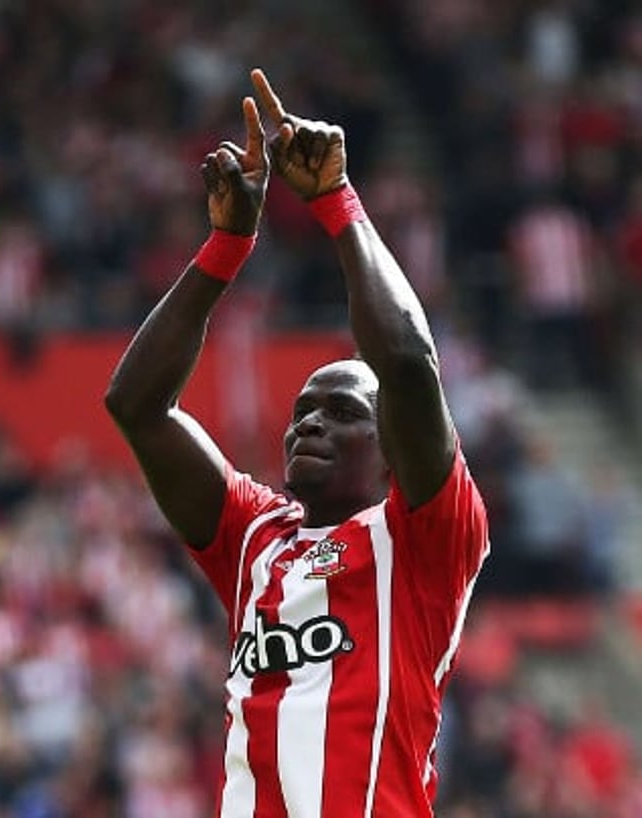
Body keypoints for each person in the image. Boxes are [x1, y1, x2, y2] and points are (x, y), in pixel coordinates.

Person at [105, 69, 489, 816]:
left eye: (340, 412)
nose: (307, 423)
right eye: (301, 411)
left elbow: (407, 364)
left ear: (391, 450)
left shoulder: (425, 542)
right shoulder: (253, 534)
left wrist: (334, 203)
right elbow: (136, 406)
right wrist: (224, 246)